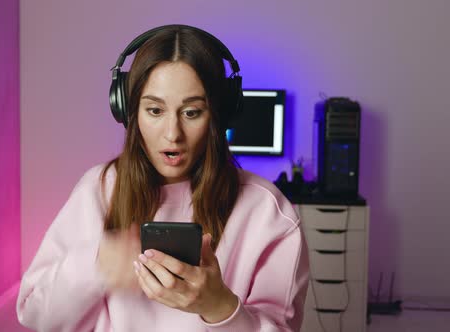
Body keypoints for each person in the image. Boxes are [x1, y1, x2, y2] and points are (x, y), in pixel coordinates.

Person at [16, 24, 309, 331]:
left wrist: (219, 306)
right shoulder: (99, 189)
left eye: (192, 112)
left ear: (219, 115)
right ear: (128, 110)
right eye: (155, 110)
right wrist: (93, 265)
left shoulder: (268, 213)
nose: (173, 134)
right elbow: (36, 317)